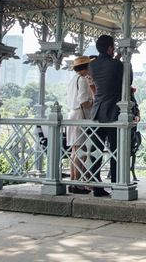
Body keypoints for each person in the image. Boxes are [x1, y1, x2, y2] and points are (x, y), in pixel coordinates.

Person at [88, 34, 126, 197]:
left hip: (97, 111)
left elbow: (108, 68)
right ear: (110, 48)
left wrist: (116, 58)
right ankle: (116, 183)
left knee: (96, 149)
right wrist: (119, 59)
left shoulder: (93, 65)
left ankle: (96, 184)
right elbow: (125, 80)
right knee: (116, 150)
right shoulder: (117, 65)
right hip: (113, 112)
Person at [66, 55, 95, 195]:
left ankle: (73, 181)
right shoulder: (83, 80)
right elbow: (84, 101)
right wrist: (94, 102)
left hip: (72, 115)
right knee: (80, 151)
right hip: (80, 115)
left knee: (74, 151)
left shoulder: (72, 80)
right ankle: (78, 183)